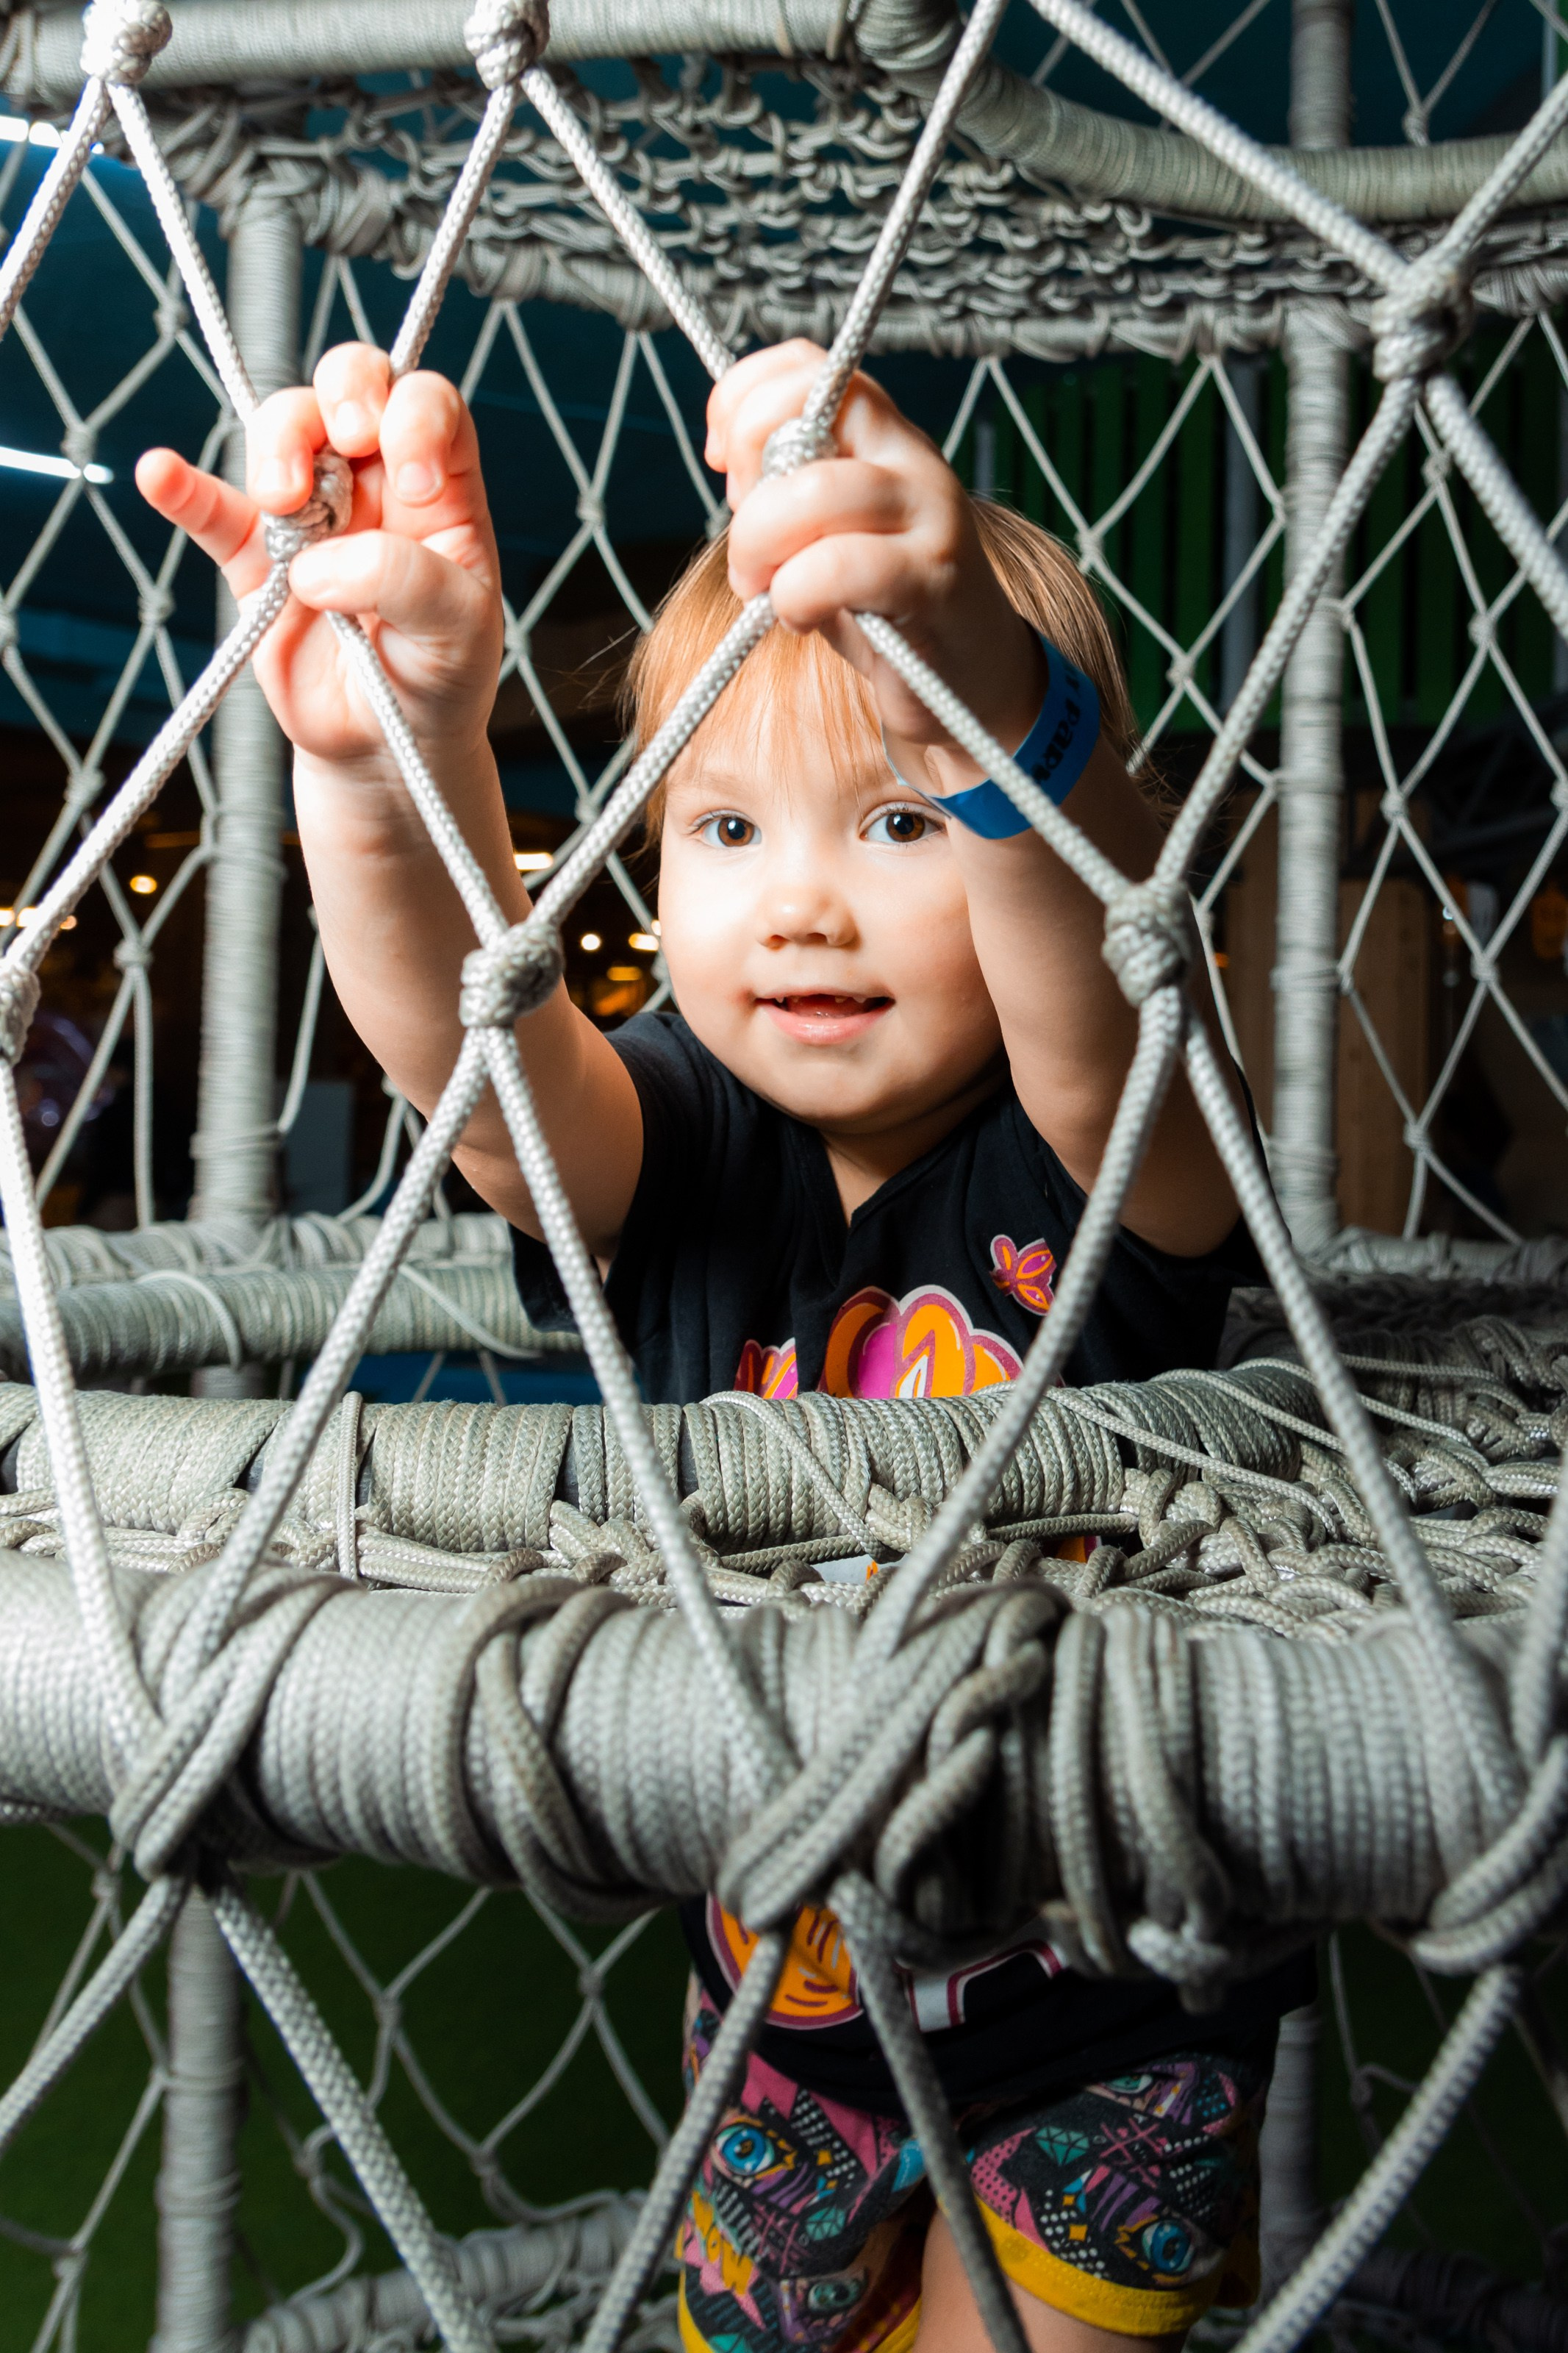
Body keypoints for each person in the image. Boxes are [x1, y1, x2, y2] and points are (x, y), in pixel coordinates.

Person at [137, 339, 1311, 2353]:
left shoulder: (1096, 1162)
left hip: (1119, 2017)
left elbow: (1118, 991)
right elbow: (476, 1064)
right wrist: (385, 759)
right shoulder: (681, 1142)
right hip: (778, 2006)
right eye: (729, 832)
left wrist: (976, 673)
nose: (806, 909)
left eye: (906, 821)